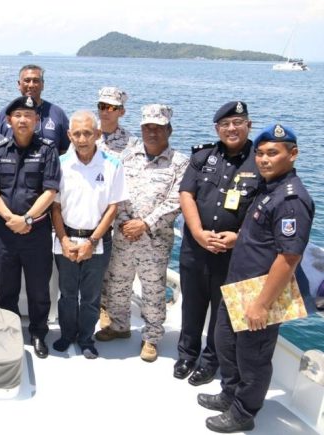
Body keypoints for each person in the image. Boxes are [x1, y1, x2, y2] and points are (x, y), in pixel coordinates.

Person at [199, 124, 314, 433]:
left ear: (292, 154)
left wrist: (262, 305)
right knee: (226, 344)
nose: (263, 160)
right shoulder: (269, 188)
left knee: (253, 357)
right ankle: (230, 394)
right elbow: (266, 237)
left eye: (272, 153)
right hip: (239, 286)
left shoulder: (291, 199)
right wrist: (238, 239)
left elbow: (288, 258)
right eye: (260, 153)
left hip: (261, 292)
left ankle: (244, 413)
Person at [175, 101, 259, 385]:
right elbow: (186, 194)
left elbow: (263, 208)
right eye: (225, 124)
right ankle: (187, 354)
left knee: (222, 311)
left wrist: (239, 237)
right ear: (217, 129)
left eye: (237, 123)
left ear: (249, 125)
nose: (231, 128)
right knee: (192, 303)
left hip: (232, 253)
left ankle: (211, 360)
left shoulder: (259, 161)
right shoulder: (203, 156)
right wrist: (198, 232)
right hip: (195, 247)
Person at [95, 104, 188, 363]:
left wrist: (144, 224)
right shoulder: (127, 156)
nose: (152, 132)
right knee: (117, 283)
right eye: (147, 127)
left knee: (153, 289)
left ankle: (152, 337)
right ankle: (119, 326)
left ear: (169, 130)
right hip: (124, 234)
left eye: (158, 128)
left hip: (155, 240)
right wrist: (126, 222)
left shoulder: (180, 163)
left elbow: (175, 201)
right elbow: (116, 190)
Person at [0, 95, 61, 359]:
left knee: (39, 289)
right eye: (17, 115)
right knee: (7, 289)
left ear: (37, 120)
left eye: (28, 115)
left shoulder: (48, 150)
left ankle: (38, 333)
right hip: (5, 233)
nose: (23, 120)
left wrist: (26, 219)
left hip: (36, 233)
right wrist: (11, 219)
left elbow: (50, 191)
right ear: (9, 120)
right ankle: (9, 332)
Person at [51, 110, 126, 359]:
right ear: (69, 135)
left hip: (98, 240)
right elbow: (55, 207)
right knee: (67, 293)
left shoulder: (112, 164)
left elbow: (113, 207)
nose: (82, 139)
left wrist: (92, 242)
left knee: (91, 295)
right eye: (77, 134)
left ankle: (86, 338)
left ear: (98, 134)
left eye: (87, 133)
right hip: (66, 238)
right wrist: (64, 239)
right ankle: (66, 334)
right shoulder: (60, 164)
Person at [95, 86, 140, 330]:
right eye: (102, 106)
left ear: (121, 111)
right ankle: (92, 305)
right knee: (91, 263)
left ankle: (108, 309)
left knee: (117, 266)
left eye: (112, 107)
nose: (106, 111)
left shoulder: (132, 144)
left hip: (120, 213)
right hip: (92, 212)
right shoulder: (86, 134)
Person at [0, 65, 70, 154]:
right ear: (19, 84)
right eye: (27, 80)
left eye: (36, 81)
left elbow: (66, 151)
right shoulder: (5, 114)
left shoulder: (57, 114)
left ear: (42, 85)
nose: (31, 85)